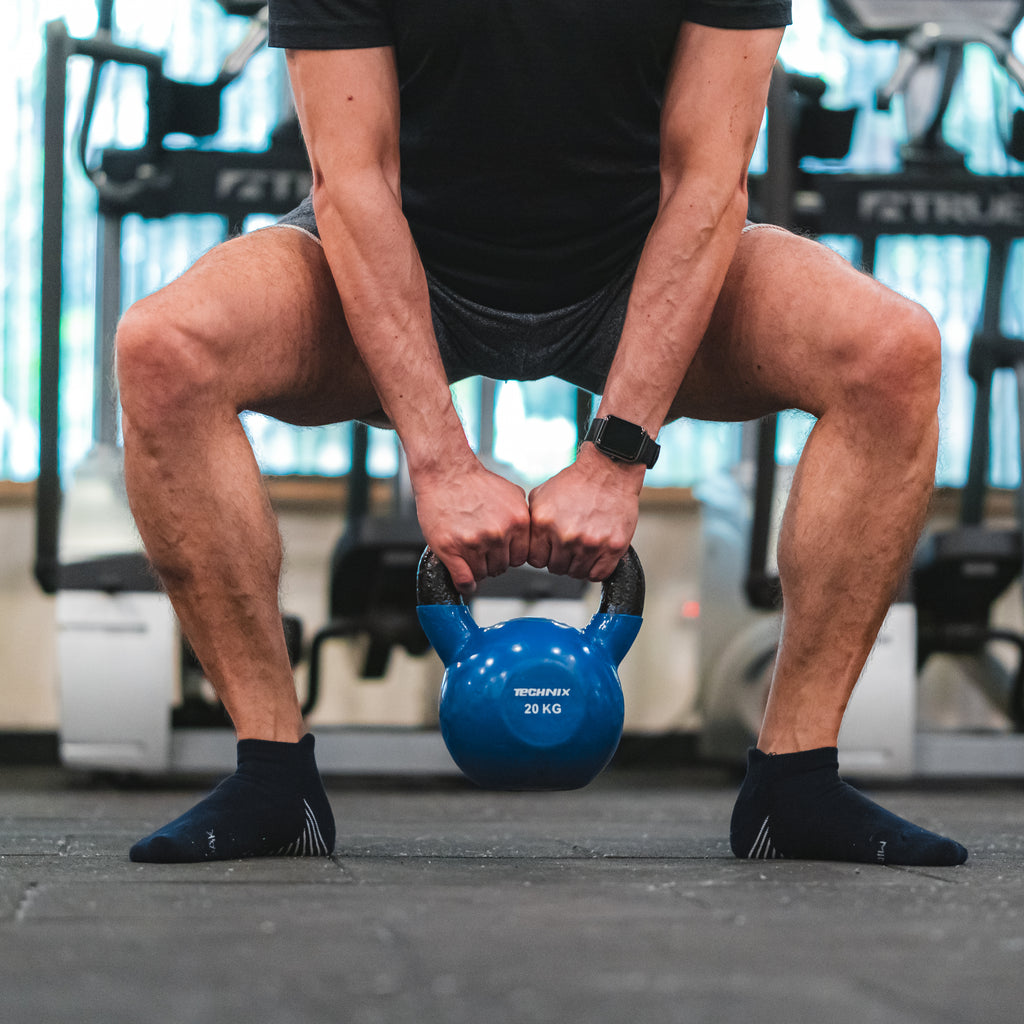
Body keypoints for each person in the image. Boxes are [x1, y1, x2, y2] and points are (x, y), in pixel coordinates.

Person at [118, 0, 967, 866]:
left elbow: (706, 182)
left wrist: (617, 456)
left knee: (889, 355)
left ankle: (796, 782)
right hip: (400, 257)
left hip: (641, 263)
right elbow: (356, 182)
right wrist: (440, 462)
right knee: (164, 352)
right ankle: (272, 777)